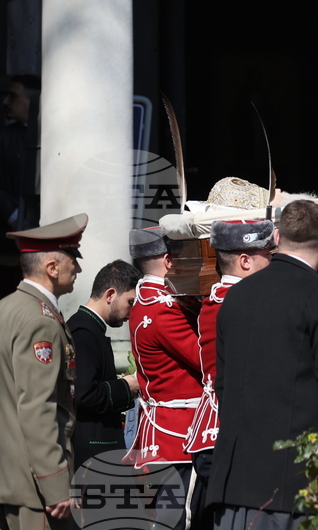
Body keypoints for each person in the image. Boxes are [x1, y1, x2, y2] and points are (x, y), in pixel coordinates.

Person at [208, 200, 318, 530]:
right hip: (293, 489)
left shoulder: (234, 297)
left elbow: (223, 387)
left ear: (276, 236)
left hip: (234, 483)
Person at [0, 213, 87, 530]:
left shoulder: (2, 309)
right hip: (32, 486)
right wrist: (56, 486)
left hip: (0, 477)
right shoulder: (39, 320)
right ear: (52, 268)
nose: (79, 269)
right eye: (74, 258)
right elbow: (39, 408)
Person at [184, 219, 274, 527]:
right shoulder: (244, 304)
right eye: (269, 255)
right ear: (245, 261)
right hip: (234, 436)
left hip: (216, 433)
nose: (274, 261)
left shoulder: (218, 298)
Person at [125, 226, 202, 530]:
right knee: (179, 520)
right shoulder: (164, 308)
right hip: (178, 432)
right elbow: (203, 358)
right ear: (169, 260)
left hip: (163, 429)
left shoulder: (143, 304)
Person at [69, 259, 142, 468]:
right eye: (130, 302)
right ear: (110, 295)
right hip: (92, 453)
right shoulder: (83, 332)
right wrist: (126, 387)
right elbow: (84, 394)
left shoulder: (91, 329)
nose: (132, 311)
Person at [0, 76, 40, 307]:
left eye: (14, 96)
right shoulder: (1, 140)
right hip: (6, 240)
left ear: (33, 100)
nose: (5, 102)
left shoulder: (53, 136)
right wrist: (15, 216)